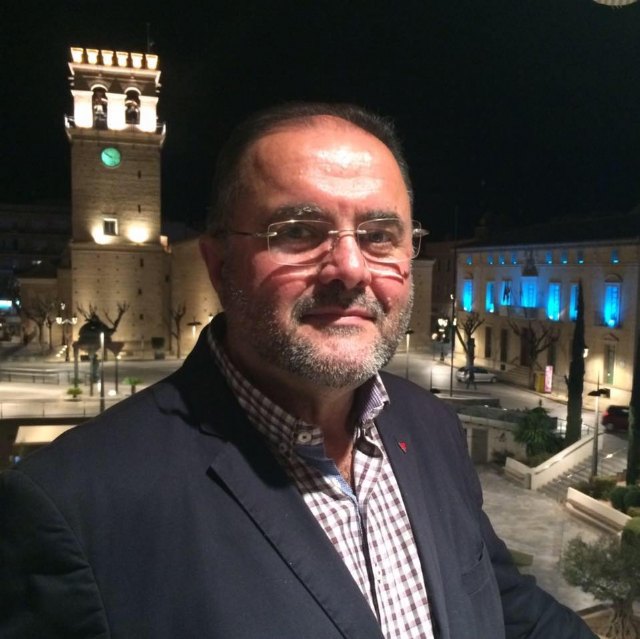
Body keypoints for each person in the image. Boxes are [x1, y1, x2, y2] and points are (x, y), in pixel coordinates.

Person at [0, 103, 596, 639]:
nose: (350, 268)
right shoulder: (76, 507)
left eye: (380, 236)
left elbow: (506, 605)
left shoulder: (431, 428)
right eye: (299, 233)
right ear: (218, 264)